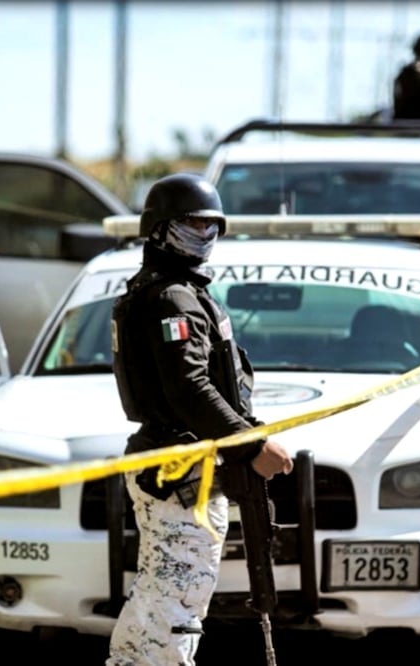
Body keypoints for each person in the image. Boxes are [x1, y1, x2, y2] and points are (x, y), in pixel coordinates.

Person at [106, 173, 292, 665]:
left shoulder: (174, 291)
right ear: (159, 229)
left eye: (213, 227)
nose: (204, 236)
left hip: (179, 465)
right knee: (178, 598)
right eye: (191, 224)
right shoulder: (171, 298)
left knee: (157, 594)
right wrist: (251, 446)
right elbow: (188, 386)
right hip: (179, 470)